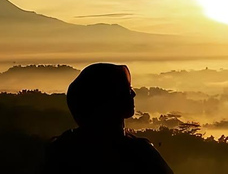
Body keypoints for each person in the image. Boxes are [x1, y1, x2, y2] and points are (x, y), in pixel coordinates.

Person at [42, 63, 173, 174]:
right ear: (108, 100)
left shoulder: (61, 150)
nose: (133, 94)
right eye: (127, 90)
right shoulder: (139, 153)